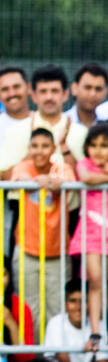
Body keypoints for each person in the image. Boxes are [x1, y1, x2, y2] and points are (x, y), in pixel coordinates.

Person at [9, 127, 73, 323]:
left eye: (45, 146)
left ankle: (55, 353)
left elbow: (67, 179)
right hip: (27, 249)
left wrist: (51, 181)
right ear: (29, 148)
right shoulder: (23, 166)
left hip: (57, 251)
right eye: (35, 146)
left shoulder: (62, 167)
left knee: (57, 308)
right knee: (29, 309)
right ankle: (32, 354)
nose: (39, 151)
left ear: (53, 148)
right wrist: (41, 181)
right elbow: (20, 178)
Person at [0, 65, 84, 176]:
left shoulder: (81, 133)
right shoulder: (16, 131)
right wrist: (33, 154)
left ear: (65, 94)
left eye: (54, 91)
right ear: (33, 95)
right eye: (43, 91)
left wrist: (65, 149)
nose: (49, 97)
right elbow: (3, 176)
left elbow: (86, 178)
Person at [69, 122, 108, 336]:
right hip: (93, 231)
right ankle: (95, 331)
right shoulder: (85, 163)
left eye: (104, 145)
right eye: (93, 145)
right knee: (95, 280)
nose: (98, 151)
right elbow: (86, 177)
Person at [43, 281, 108, 362]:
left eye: (84, 301)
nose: (79, 307)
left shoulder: (98, 325)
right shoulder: (56, 323)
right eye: (73, 301)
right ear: (65, 304)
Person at [66, 63, 108, 128]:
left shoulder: (105, 122)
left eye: (98, 89)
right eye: (88, 87)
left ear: (105, 91)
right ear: (74, 88)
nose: (93, 94)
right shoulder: (63, 124)